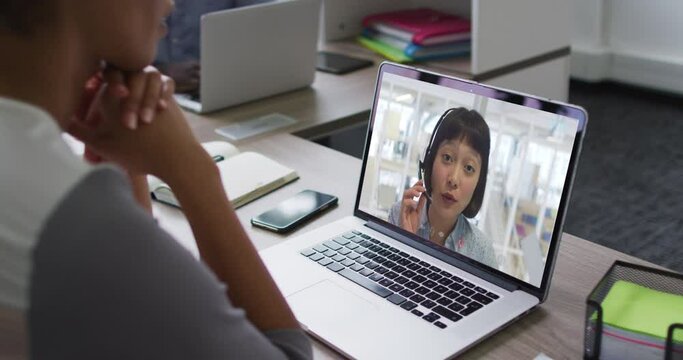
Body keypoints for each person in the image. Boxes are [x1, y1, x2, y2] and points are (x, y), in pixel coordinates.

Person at [0, 0, 311, 359]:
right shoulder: (69, 220)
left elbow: (130, 307)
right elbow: (288, 353)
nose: (170, 2)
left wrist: (124, 165)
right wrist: (193, 172)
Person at [388, 107, 498, 269]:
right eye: (447, 158)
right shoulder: (399, 215)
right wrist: (408, 242)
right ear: (431, 161)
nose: (453, 179)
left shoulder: (481, 252)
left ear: (478, 183)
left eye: (469, 168)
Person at [155, 0, 271, 92]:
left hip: (221, 88)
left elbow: (265, 26)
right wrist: (160, 73)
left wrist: (219, 72)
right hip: (149, 89)